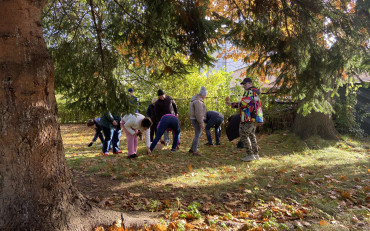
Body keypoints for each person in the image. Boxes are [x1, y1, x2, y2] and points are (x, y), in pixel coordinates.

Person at [226, 77, 263, 162]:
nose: (244, 86)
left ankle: (250, 154)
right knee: (251, 135)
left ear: (250, 83)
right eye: (243, 84)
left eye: (245, 84)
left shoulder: (249, 92)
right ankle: (255, 154)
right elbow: (249, 103)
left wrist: (232, 104)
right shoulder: (255, 93)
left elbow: (243, 104)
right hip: (255, 117)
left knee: (243, 135)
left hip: (248, 117)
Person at [189, 86, 207, 156]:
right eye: (205, 94)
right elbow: (199, 114)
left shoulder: (195, 100)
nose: (206, 96)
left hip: (194, 119)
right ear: (202, 94)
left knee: (198, 134)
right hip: (196, 120)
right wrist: (201, 123)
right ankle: (194, 151)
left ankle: (192, 149)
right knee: (198, 134)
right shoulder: (198, 102)